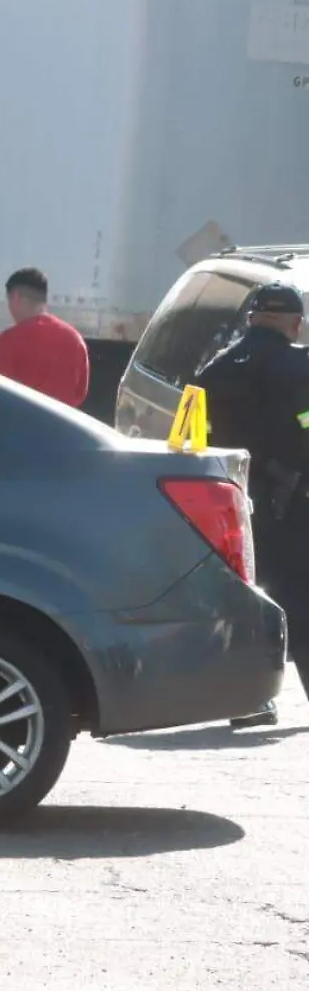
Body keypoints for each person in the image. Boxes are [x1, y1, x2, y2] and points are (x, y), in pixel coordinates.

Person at [193, 283, 309, 728]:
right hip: (289, 500)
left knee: (243, 599)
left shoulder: (214, 367)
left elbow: (194, 435)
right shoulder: (297, 366)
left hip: (228, 499)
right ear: (294, 324)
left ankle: (247, 701)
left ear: (251, 318)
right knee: (298, 596)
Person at [0, 268, 89, 408]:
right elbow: (79, 393)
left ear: (15, 297)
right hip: (61, 427)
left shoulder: (9, 340)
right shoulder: (75, 340)